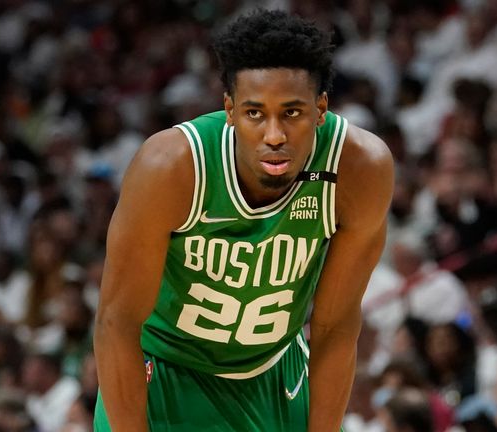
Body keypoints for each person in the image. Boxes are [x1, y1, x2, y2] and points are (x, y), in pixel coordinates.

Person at [93, 8, 394, 432]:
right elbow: (116, 322)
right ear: (230, 109)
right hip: (164, 369)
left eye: (292, 112)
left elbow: (335, 325)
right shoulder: (172, 167)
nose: (274, 135)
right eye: (255, 113)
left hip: (272, 372)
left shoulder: (359, 167)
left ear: (320, 108)